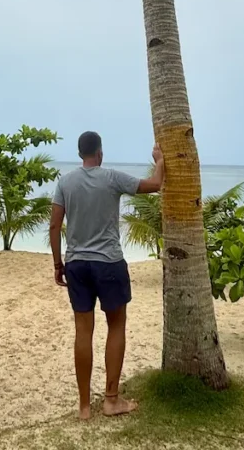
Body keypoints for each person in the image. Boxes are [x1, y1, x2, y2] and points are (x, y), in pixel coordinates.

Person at [49, 131, 165, 421]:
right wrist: (159, 160)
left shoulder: (65, 182)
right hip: (109, 264)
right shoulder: (112, 178)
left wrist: (57, 264)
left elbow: (54, 227)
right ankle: (111, 400)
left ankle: (85, 407)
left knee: (83, 331)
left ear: (80, 155)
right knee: (116, 327)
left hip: (76, 264)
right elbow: (155, 184)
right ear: (100, 153)